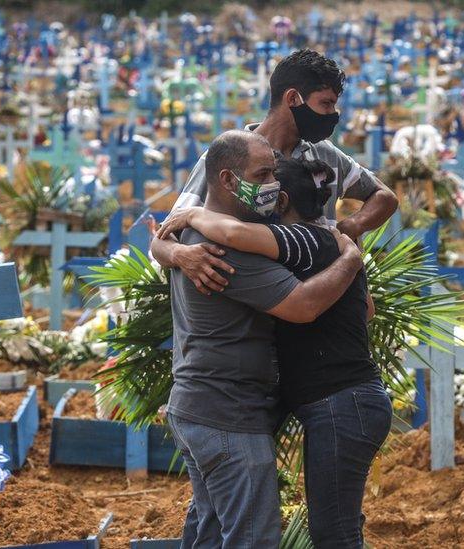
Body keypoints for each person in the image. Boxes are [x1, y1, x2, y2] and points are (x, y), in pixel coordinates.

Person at [157, 157, 393, 548]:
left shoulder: (301, 241)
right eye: (259, 175)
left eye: (269, 178)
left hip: (340, 402)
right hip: (338, 400)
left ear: (281, 200)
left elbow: (233, 233)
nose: (263, 187)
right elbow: (366, 309)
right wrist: (349, 264)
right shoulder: (326, 242)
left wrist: (193, 213)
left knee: (334, 534)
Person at [151, 48, 398, 295]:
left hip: (322, 299)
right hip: (259, 302)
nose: (333, 115)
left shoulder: (324, 155)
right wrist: (181, 254)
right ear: (293, 98)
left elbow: (384, 197)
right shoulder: (228, 157)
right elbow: (162, 238)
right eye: (326, 104)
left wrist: (349, 228)